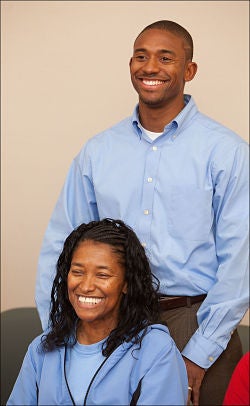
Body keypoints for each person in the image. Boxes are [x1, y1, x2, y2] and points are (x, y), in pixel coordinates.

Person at [35, 20, 249, 405]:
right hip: (109, 321)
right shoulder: (97, 152)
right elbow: (61, 247)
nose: (150, 67)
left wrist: (198, 354)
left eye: (166, 57)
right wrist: (59, 336)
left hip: (194, 323)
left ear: (189, 70)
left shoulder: (228, 153)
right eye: (141, 56)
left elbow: (241, 262)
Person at [7, 219, 188, 405]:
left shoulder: (156, 351)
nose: (85, 286)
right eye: (77, 272)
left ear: (126, 283)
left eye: (102, 275)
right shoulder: (41, 349)